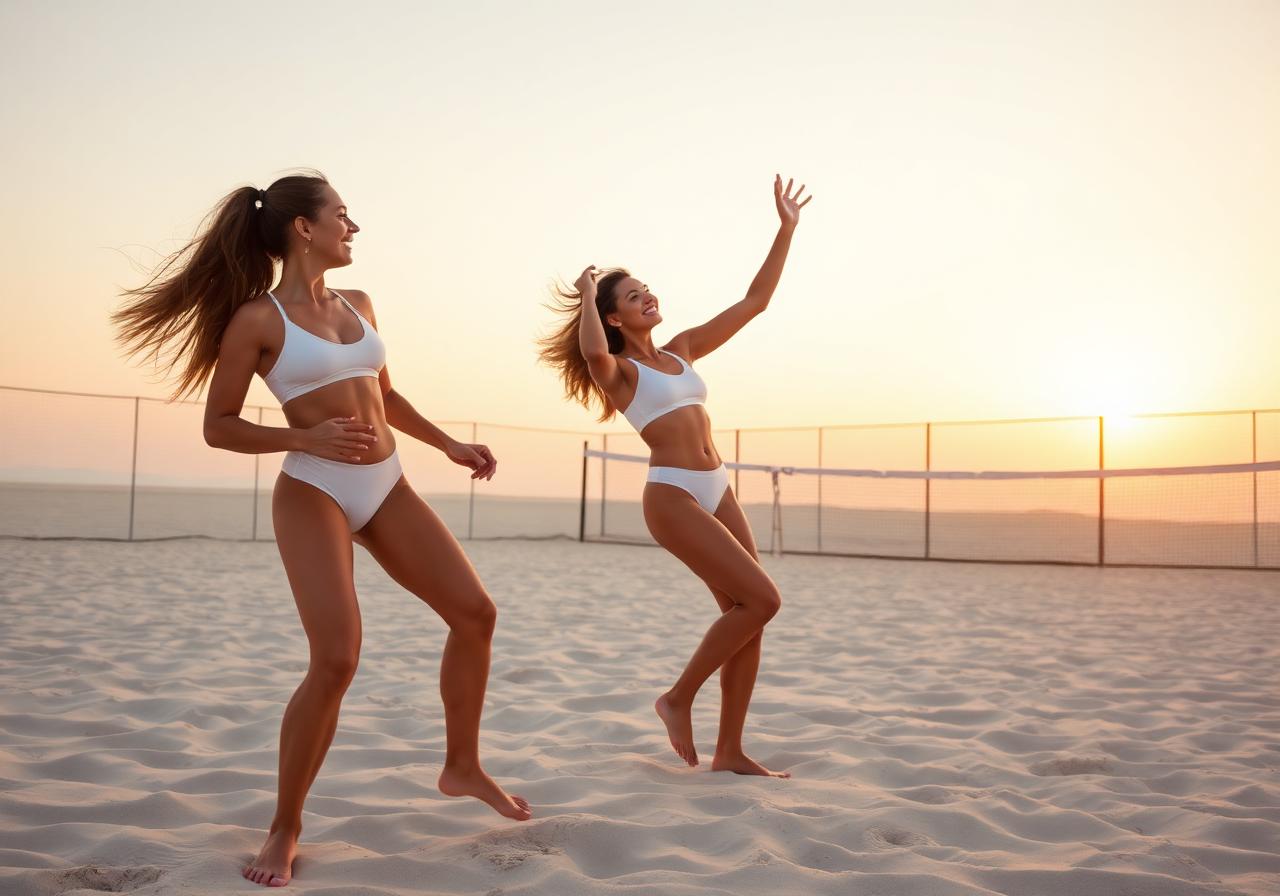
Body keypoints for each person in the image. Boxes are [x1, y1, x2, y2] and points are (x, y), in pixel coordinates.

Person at [112, 171, 531, 889]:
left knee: (475, 613)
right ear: (304, 228)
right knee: (336, 659)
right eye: (342, 214)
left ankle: (461, 766)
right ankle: (285, 828)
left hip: (387, 484)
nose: (353, 226)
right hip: (314, 492)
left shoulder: (360, 304)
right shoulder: (258, 320)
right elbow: (218, 426)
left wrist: (449, 446)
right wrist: (299, 441)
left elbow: (386, 394)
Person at [538, 175, 812, 776]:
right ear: (613, 317)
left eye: (647, 290)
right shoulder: (619, 370)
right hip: (674, 498)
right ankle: (676, 698)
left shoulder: (683, 349)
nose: (648, 299)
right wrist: (586, 296)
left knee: (748, 615)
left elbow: (753, 303)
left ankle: (730, 750)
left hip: (719, 488)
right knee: (764, 599)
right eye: (634, 297)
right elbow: (589, 353)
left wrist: (785, 230)